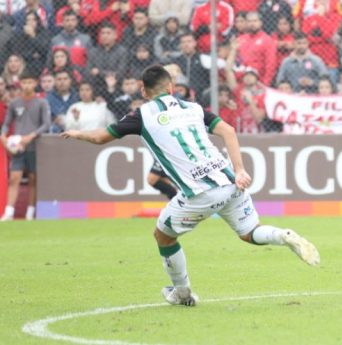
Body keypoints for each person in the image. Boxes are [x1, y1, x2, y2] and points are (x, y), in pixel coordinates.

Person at [61, 65, 320, 306]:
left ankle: (182, 291)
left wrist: (77, 133)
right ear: (171, 87)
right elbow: (228, 130)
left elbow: (101, 138)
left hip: (200, 193)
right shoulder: (193, 108)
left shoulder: (141, 115)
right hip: (229, 180)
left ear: (143, 91)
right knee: (250, 232)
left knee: (163, 235)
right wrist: (239, 170)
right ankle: (283, 236)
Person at [0, 73, 51, 221]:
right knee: (14, 177)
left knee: (33, 178)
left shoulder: (41, 102)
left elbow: (46, 124)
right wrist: (3, 136)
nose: (27, 85)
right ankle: (9, 212)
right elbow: (7, 124)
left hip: (34, 146)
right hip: (18, 146)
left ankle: (30, 212)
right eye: (24, 82)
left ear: (35, 83)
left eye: (30, 82)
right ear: (20, 84)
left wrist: (31, 136)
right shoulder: (15, 103)